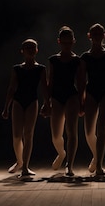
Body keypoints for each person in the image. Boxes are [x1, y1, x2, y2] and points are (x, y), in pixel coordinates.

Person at [40, 26, 86, 177]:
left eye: (69, 43)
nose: (67, 46)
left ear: (73, 42)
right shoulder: (53, 60)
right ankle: (61, 153)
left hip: (71, 96)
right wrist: (47, 103)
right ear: (59, 42)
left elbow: (81, 83)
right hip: (57, 97)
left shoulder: (77, 60)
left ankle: (69, 165)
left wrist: (81, 101)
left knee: (71, 131)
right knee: (56, 135)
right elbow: (49, 82)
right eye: (64, 43)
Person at [1, 38, 48, 178]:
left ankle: (25, 167)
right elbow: (11, 88)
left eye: (33, 47)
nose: (30, 50)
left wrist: (47, 104)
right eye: (27, 47)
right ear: (22, 51)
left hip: (32, 102)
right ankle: (20, 161)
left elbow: (45, 88)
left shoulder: (41, 69)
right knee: (16, 136)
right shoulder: (17, 69)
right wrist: (6, 108)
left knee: (28, 134)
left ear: (37, 50)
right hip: (18, 102)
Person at [80, 23, 105, 176]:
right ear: (90, 36)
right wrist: (81, 99)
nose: (97, 36)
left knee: (101, 128)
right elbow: (82, 80)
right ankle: (96, 158)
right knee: (89, 131)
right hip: (91, 92)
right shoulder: (85, 57)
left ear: (104, 35)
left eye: (99, 33)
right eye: (94, 33)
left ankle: (99, 166)